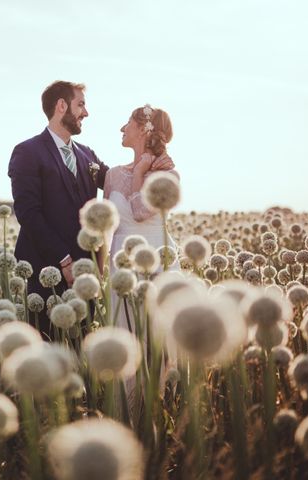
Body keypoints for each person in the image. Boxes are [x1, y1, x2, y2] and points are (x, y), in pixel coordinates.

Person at [8, 81, 108, 338]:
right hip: (44, 274)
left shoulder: (88, 155)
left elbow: (116, 182)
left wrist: (150, 161)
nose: (86, 113)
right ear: (61, 106)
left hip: (85, 275)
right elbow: (28, 213)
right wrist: (63, 260)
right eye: (81, 105)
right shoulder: (27, 152)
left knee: (80, 353)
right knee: (45, 354)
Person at [103, 104, 179, 421]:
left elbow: (138, 211)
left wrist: (138, 172)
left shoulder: (169, 174)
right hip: (120, 263)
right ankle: (125, 417)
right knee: (124, 343)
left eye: (128, 123)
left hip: (158, 263)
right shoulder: (110, 175)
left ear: (144, 130)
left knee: (156, 345)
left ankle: (158, 419)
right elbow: (106, 224)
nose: (122, 128)